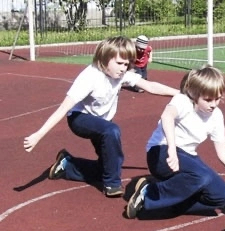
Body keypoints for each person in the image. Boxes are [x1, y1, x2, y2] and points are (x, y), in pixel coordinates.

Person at [23, 36, 179, 197]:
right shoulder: (89, 77)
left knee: (109, 165)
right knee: (112, 131)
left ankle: (67, 165)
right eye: (119, 63)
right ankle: (112, 185)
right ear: (104, 59)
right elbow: (63, 108)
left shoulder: (121, 74)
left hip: (103, 122)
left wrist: (181, 95)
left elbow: (150, 86)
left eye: (126, 64)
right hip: (80, 118)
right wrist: (38, 135)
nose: (123, 68)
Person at [126, 65, 225, 219]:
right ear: (194, 94)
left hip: (187, 156)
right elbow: (167, 117)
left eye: (218, 98)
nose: (214, 104)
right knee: (200, 176)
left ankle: (172, 203)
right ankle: (148, 194)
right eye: (208, 99)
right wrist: (171, 148)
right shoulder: (183, 101)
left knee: (224, 197)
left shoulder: (216, 116)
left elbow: (223, 152)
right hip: (161, 153)